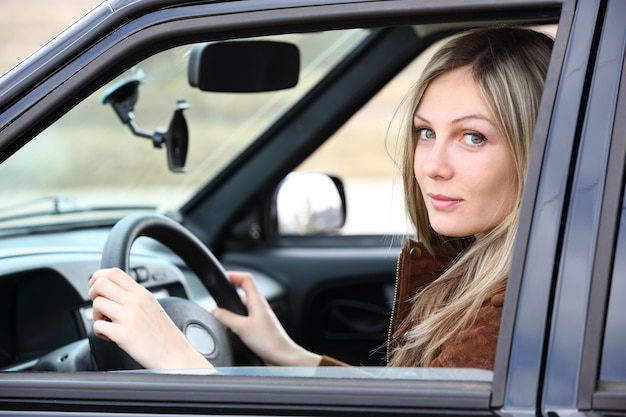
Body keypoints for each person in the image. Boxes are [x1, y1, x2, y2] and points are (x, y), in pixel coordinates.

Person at [88, 26, 554, 370]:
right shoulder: (491, 272)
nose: (433, 165)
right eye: (426, 132)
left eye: (473, 137)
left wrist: (181, 363)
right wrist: (288, 353)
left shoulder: (512, 310)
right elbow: (405, 405)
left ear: (538, 147)